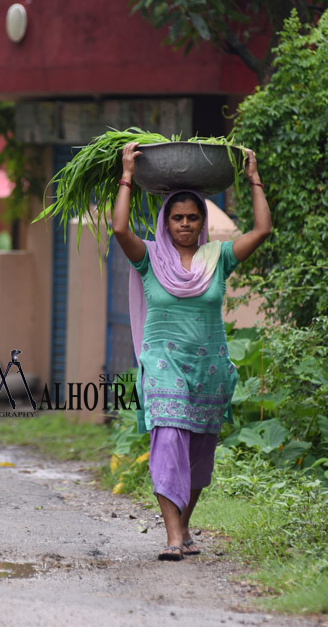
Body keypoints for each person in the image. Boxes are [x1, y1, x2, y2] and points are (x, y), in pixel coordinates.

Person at [112, 142, 271, 561]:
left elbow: (261, 231)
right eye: (177, 217)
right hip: (164, 367)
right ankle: (171, 537)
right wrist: (127, 175)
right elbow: (120, 230)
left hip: (209, 368)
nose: (184, 223)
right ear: (166, 221)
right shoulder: (149, 257)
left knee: (200, 451)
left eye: (192, 217)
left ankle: (183, 529)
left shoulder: (217, 258)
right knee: (168, 440)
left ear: (202, 222)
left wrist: (254, 179)